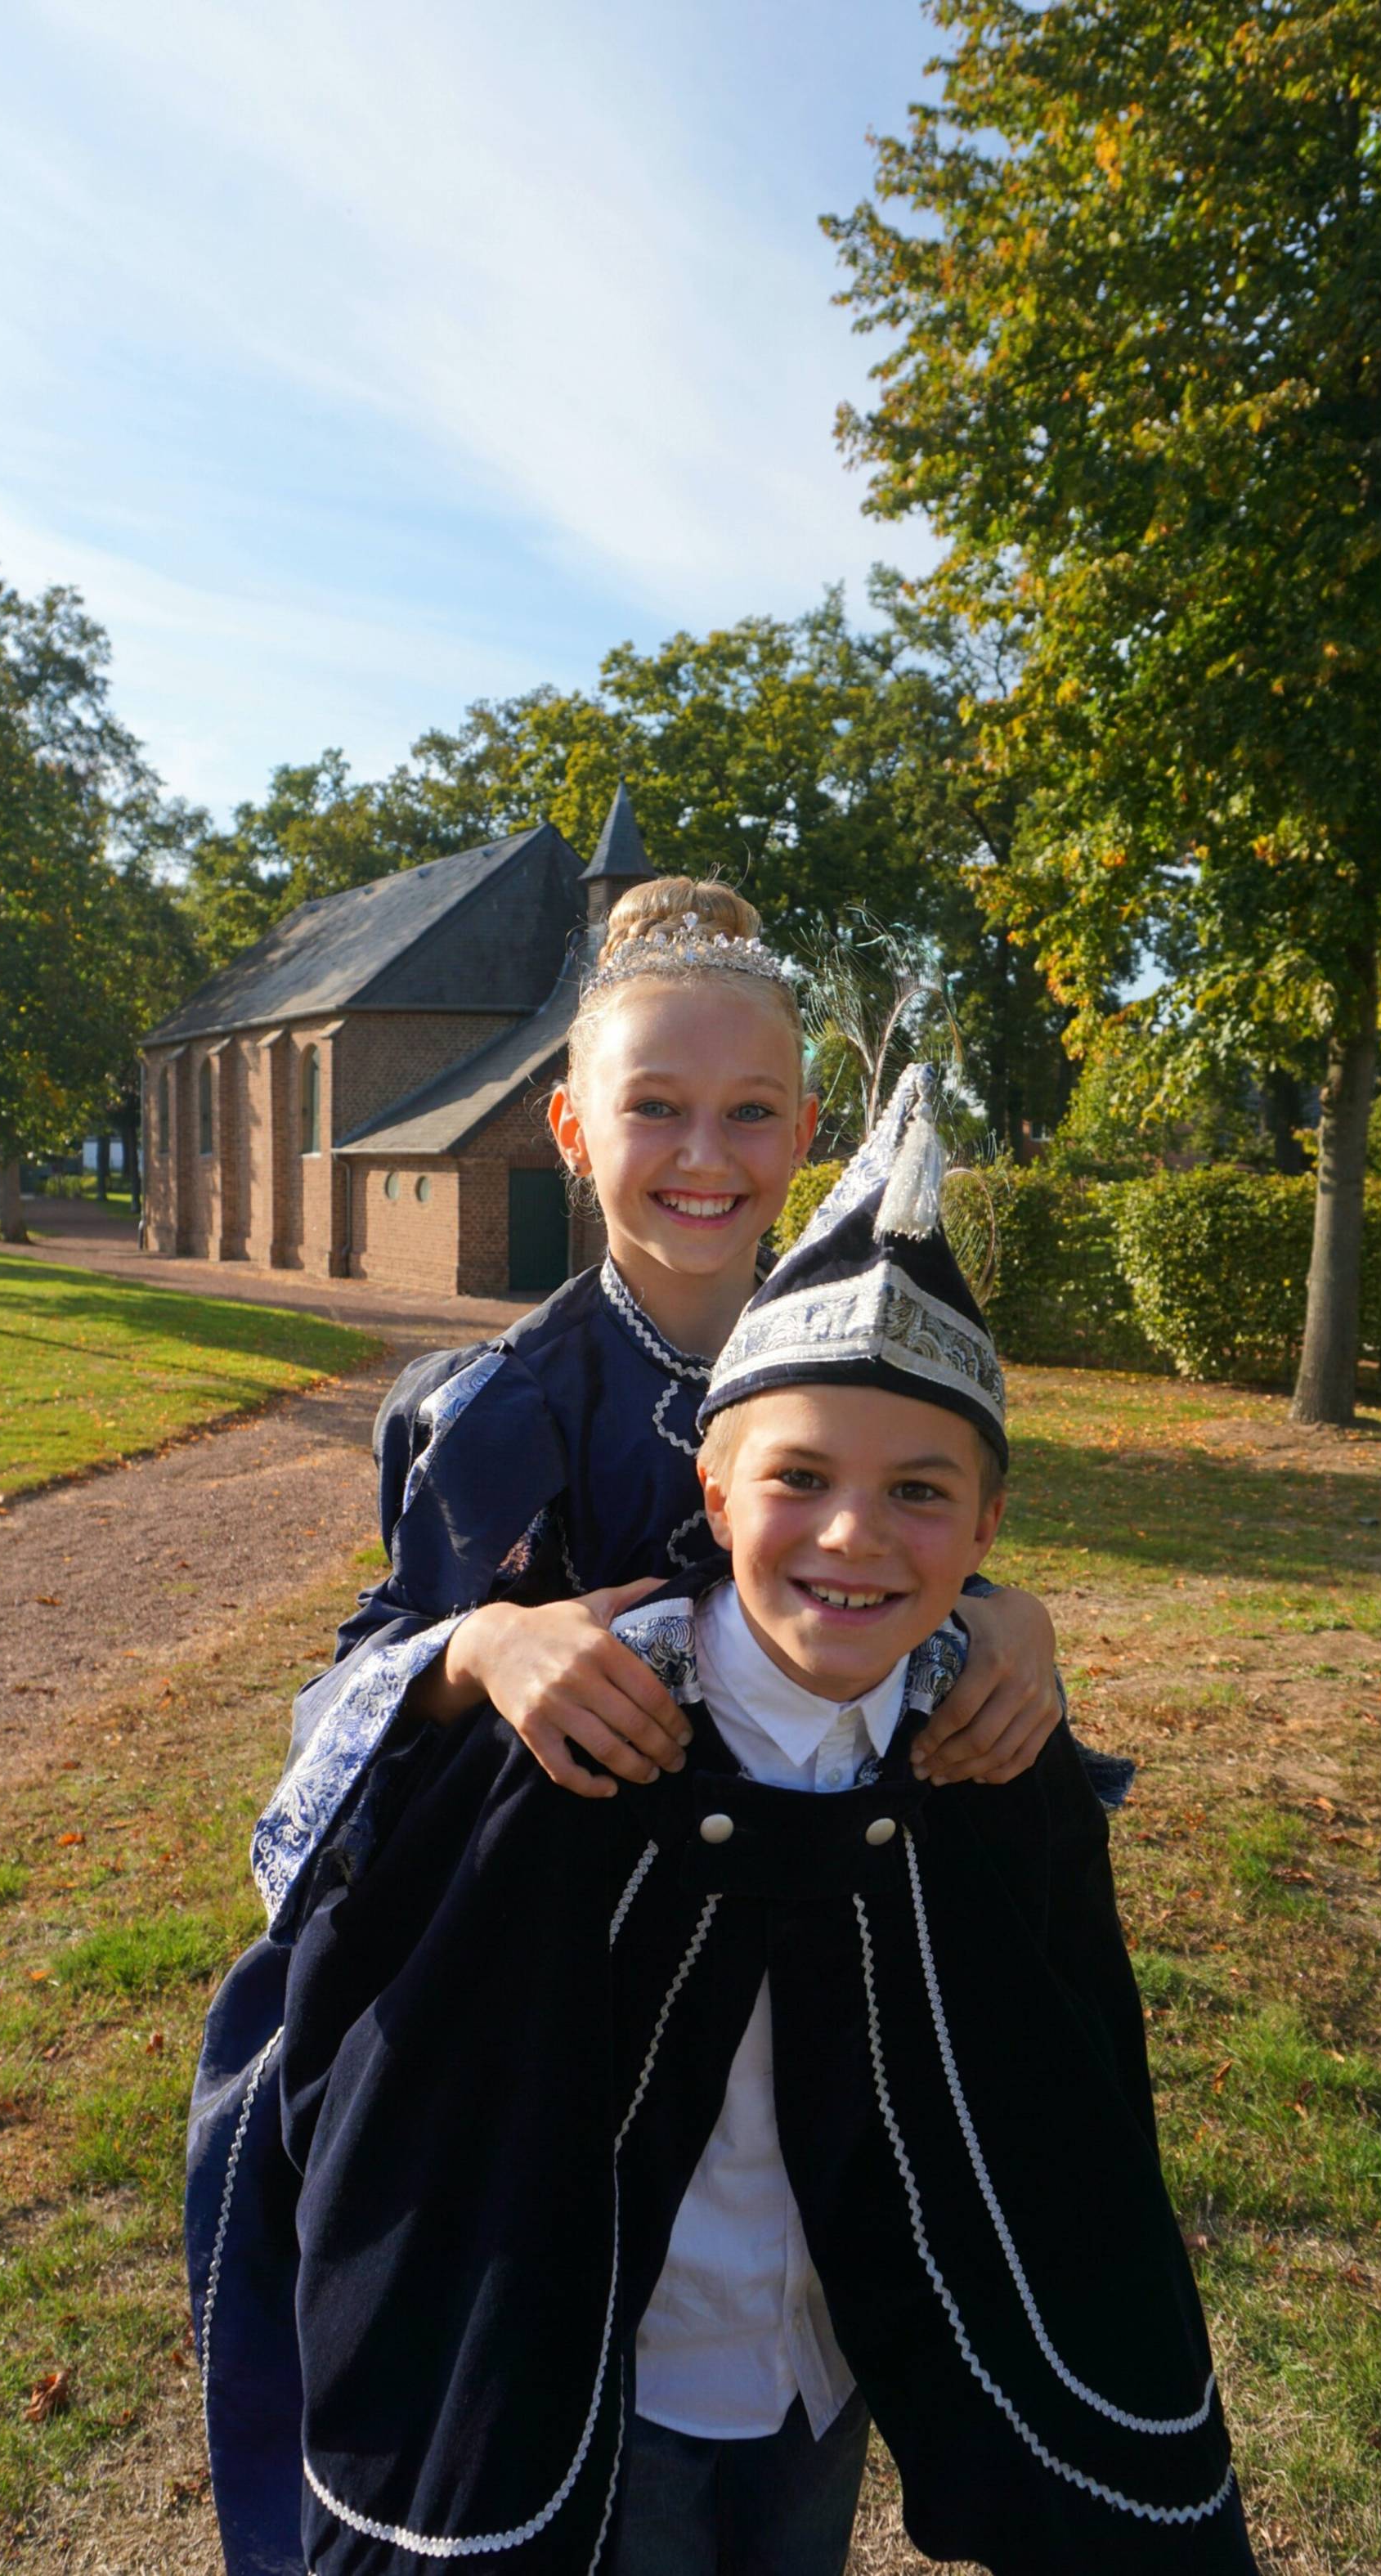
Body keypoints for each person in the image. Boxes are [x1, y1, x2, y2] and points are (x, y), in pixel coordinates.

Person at [189, 880, 1114, 2574]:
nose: (709, 1152)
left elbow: (894, 1554)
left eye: (753, 1111)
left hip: (811, 2006)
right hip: (558, 2041)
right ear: (568, 1129)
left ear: (807, 1129)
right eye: (658, 1108)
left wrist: (1009, 1617)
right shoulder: (495, 1417)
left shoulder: (869, 1340)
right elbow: (352, 1690)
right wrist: (485, 1644)